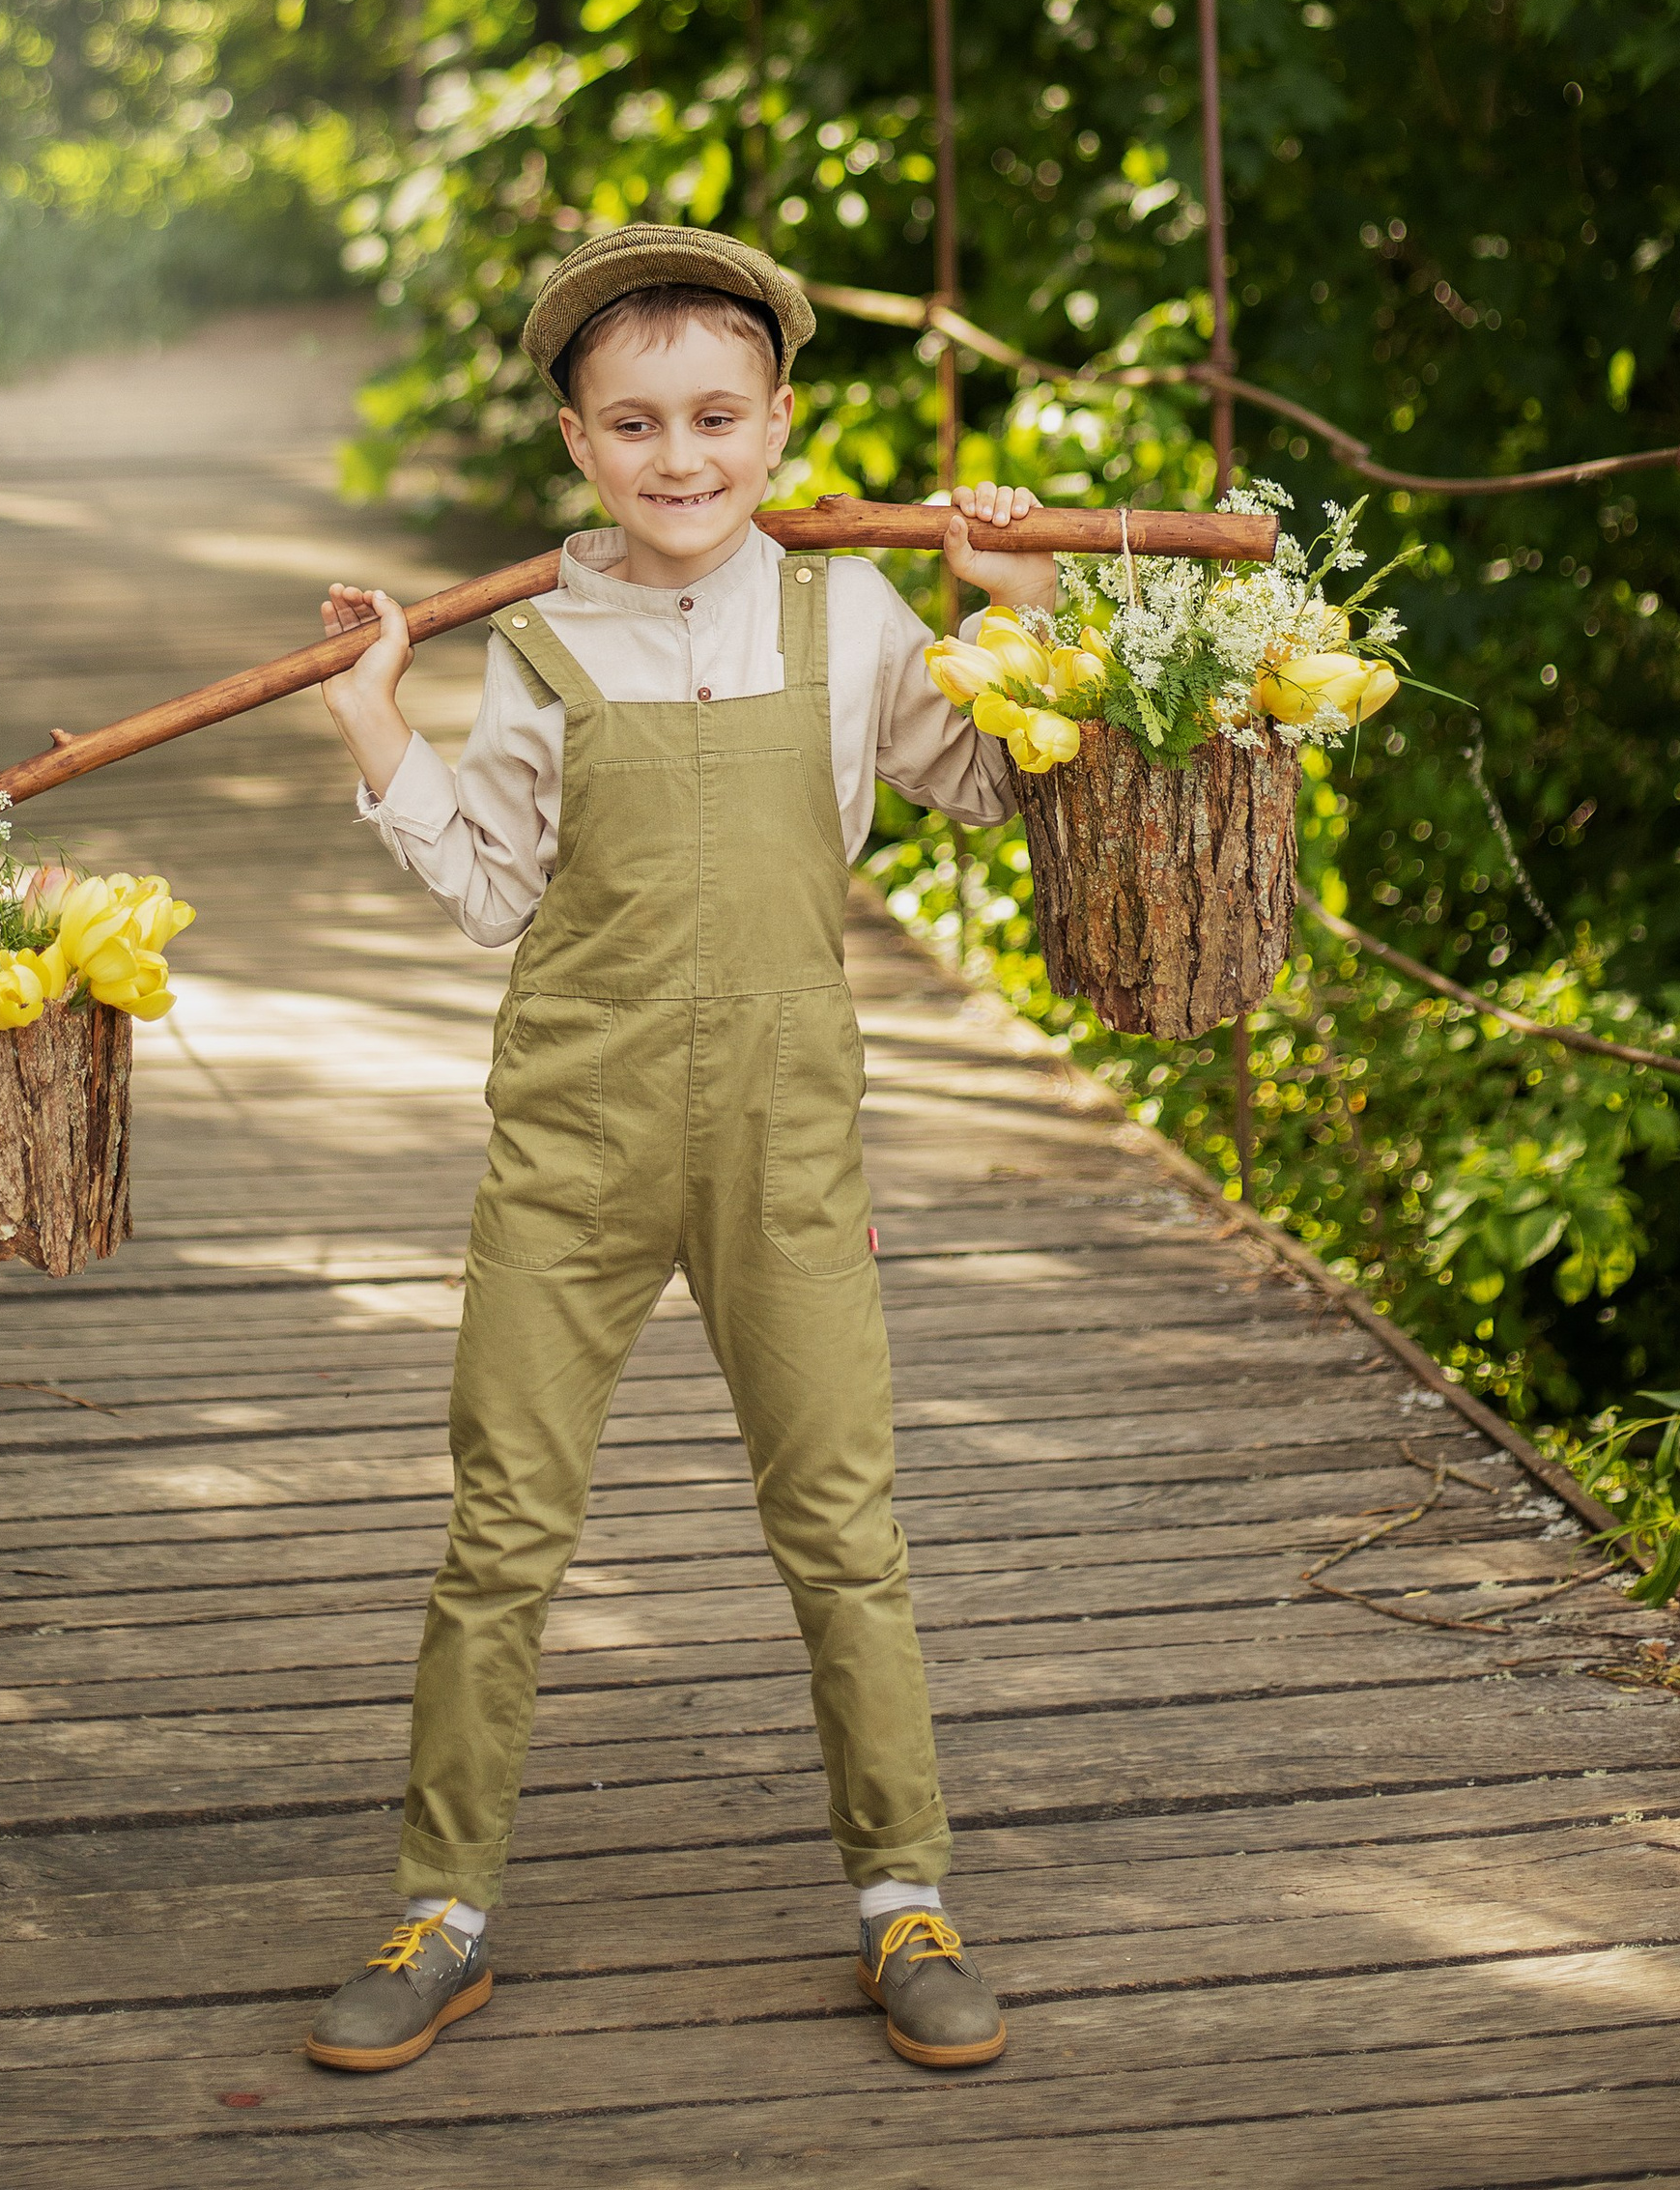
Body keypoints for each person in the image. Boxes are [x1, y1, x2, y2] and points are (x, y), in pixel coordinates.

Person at [303, 223, 1054, 2078]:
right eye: (633, 424)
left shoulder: (849, 620)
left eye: (717, 417)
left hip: (791, 1140)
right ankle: (441, 1906)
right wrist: (378, 724)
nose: (680, 458)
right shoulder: (544, 641)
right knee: (503, 1528)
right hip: (575, 1137)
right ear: (577, 444)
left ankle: (905, 1896)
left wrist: (1015, 609)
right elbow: (490, 889)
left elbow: (994, 777)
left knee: (841, 1528)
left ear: (781, 426)